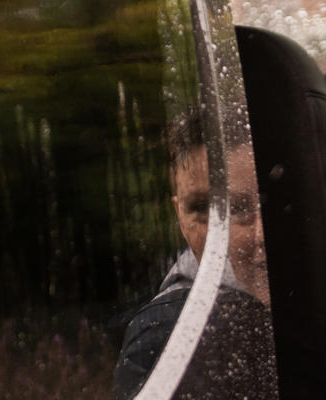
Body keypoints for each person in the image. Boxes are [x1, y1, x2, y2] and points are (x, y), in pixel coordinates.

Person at [111, 108, 277, 400]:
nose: (258, 235)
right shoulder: (166, 335)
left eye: (265, 202)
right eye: (202, 208)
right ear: (179, 215)